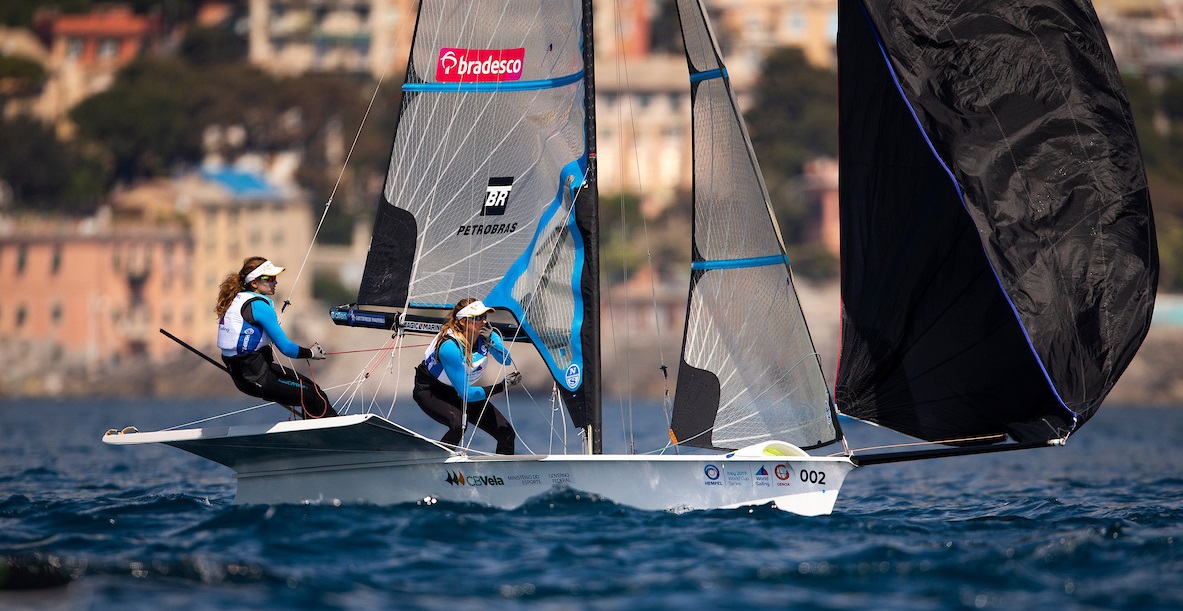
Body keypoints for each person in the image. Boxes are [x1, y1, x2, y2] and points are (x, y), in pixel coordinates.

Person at [215, 256, 338, 419]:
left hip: (245, 376)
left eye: (275, 278)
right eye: (270, 278)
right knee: (313, 396)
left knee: (312, 390)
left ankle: (316, 430)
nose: (275, 282)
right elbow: (287, 348)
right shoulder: (258, 305)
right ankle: (335, 431)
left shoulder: (236, 299)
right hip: (258, 377)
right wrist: (311, 353)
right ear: (254, 283)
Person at [413, 298, 521, 454]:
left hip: (459, 392)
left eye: (485, 316)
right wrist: (501, 387)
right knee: (458, 426)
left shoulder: (488, 335)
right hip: (433, 391)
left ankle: (502, 470)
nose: (484, 321)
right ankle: (435, 464)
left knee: (506, 433)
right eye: (478, 318)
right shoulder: (449, 347)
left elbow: (506, 360)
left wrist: (491, 342)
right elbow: (467, 395)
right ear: (463, 322)